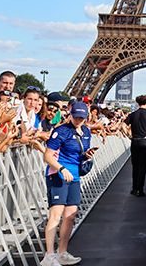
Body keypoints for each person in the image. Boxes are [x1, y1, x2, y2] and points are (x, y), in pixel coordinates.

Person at [42, 101, 93, 266]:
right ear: (70, 114)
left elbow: (79, 154)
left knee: (70, 217)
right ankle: (49, 256)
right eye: (76, 116)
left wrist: (87, 155)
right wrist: (61, 169)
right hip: (58, 175)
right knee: (55, 216)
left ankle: (62, 252)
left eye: (82, 118)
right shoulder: (61, 131)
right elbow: (48, 156)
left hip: (75, 177)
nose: (79, 120)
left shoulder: (86, 132)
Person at [123, 95, 146, 197]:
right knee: (143, 166)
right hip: (145, 141)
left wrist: (129, 135)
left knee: (135, 165)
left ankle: (134, 188)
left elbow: (122, 125)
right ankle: (140, 189)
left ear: (137, 103)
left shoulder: (133, 114)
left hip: (135, 141)